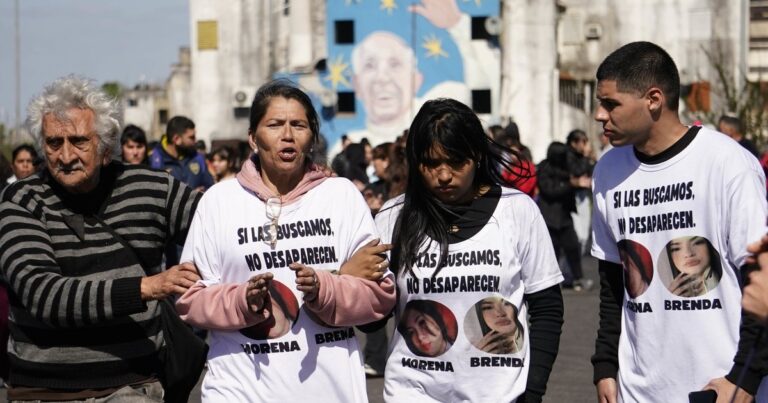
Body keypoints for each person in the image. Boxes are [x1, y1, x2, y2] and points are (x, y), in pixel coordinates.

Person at [174, 80, 396, 402]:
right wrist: (242, 301)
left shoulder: (341, 195)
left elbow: (381, 296)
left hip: (329, 391)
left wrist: (326, 288)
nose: (287, 135)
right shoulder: (218, 201)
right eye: (275, 125)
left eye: (299, 125)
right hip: (238, 390)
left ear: (311, 137)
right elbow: (188, 299)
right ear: (253, 137)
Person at [0, 75, 202, 401]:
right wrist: (147, 287)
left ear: (106, 146)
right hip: (42, 391)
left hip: (133, 387)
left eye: (79, 141)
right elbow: (42, 293)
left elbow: (221, 228)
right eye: (54, 143)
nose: (65, 156)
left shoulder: (153, 189)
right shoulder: (21, 199)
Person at [590, 42, 767, 403]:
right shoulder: (607, 170)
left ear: (653, 99)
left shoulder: (726, 163)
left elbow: (762, 278)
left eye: (610, 103)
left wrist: (744, 380)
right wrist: (606, 366)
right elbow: (612, 283)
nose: (599, 115)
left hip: (718, 388)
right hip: (640, 390)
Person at [375, 98, 564, 402]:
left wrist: (533, 392)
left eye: (456, 161)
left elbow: (547, 309)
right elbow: (372, 320)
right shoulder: (393, 217)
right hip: (411, 392)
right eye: (431, 163)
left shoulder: (517, 211)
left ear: (476, 155)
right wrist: (358, 280)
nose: (444, 174)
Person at [537, 141, 592, 291]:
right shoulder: (544, 168)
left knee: (573, 247)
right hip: (549, 216)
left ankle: (577, 278)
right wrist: (570, 184)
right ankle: (551, 283)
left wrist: (584, 156)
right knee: (551, 251)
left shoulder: (565, 166)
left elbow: (579, 171)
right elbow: (550, 190)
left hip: (564, 216)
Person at [149, 115, 214, 192]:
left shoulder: (198, 157)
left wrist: (201, 194)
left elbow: (210, 188)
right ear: (177, 139)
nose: (195, 141)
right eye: (191, 137)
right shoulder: (154, 161)